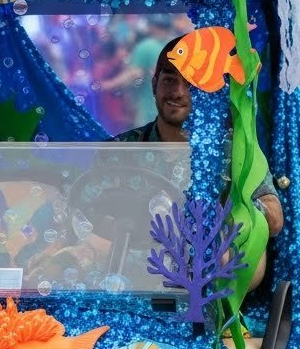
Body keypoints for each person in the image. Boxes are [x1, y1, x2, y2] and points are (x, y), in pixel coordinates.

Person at [119, 37, 284, 237]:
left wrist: (231, 209)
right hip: (132, 264)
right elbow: (91, 218)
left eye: (191, 84)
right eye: (169, 80)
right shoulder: (122, 149)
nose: (178, 92)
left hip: (207, 265)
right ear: (154, 85)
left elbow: (275, 220)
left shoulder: (232, 150)